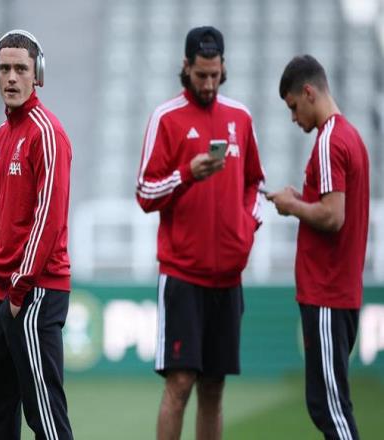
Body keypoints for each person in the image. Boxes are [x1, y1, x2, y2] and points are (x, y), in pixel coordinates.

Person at [136, 26, 264, 440]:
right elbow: (144, 192)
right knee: (180, 384)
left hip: (228, 278)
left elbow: (255, 183)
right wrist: (185, 174)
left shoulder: (240, 118)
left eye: (215, 74)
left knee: (214, 387)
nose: (208, 84)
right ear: (186, 67)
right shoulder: (166, 118)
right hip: (182, 276)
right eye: (201, 75)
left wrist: (247, 228)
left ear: (223, 67)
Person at [0, 29, 73, 440]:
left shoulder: (47, 133)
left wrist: (18, 290)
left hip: (34, 293)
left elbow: (48, 218)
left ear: (38, 74)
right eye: (5, 69)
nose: (12, 77)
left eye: (21, 68)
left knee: (45, 419)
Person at [267, 55, 369, 440]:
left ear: (309, 92)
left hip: (327, 292)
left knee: (331, 409)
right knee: (328, 404)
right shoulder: (350, 136)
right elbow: (333, 207)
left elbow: (332, 216)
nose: (293, 118)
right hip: (339, 291)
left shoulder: (329, 141)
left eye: (294, 106)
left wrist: (291, 206)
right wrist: (301, 198)